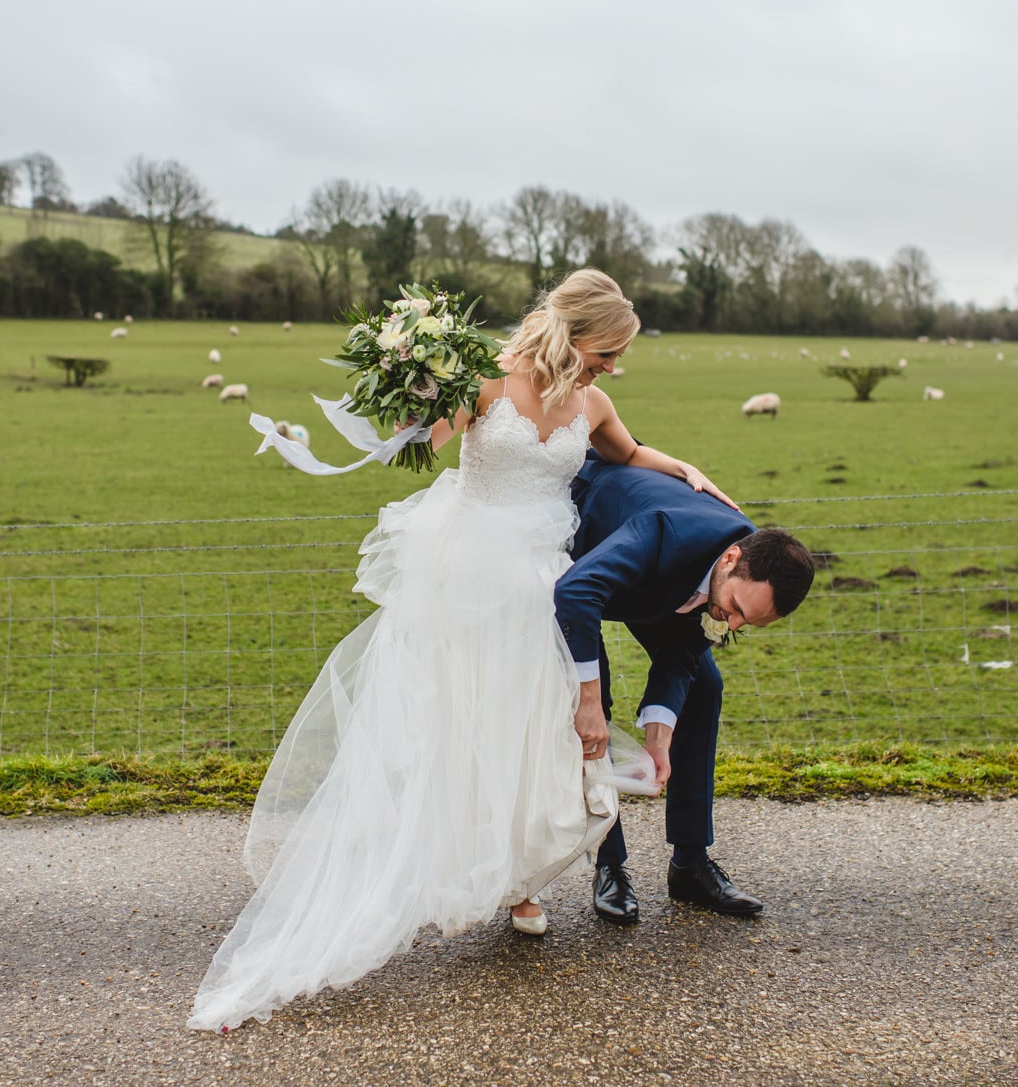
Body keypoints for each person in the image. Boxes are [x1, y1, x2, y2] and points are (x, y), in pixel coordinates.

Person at [189, 269, 734, 1031]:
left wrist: (684, 470)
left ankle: (519, 880)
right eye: (609, 350)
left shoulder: (595, 402)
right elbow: (413, 446)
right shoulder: (481, 386)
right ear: (574, 335)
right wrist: (405, 390)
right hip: (471, 571)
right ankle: (500, 879)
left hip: (545, 574)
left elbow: (630, 451)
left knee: (536, 724)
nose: (615, 365)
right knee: (474, 719)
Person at [558, 456, 818, 924]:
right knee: (593, 705)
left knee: (703, 683)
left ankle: (690, 863)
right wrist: (590, 702)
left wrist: (659, 740)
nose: (732, 623)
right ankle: (610, 865)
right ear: (731, 560)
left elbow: (684, 653)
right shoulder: (663, 532)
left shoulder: (749, 566)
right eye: (735, 607)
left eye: (748, 623)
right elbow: (575, 593)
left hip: (667, 588)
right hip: (580, 561)